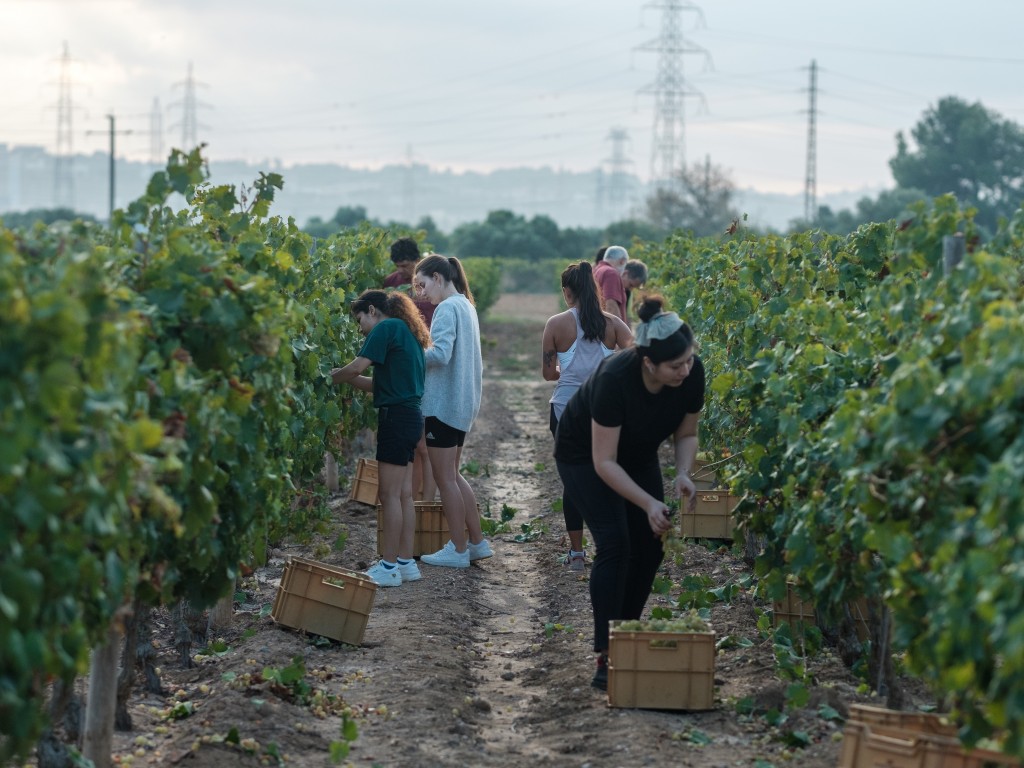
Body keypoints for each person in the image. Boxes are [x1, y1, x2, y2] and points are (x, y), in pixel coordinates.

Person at [554, 295, 705, 690]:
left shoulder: (692, 374)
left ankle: (627, 634)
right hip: (583, 455)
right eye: (676, 365)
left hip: (636, 454)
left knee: (650, 545)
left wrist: (683, 474)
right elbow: (604, 461)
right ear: (648, 362)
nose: (685, 371)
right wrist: (648, 501)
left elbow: (686, 434)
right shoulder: (615, 379)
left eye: (690, 360)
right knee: (616, 544)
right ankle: (607, 654)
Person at [331, 290, 430, 587]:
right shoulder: (405, 331)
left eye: (360, 319)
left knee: (388, 495)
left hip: (395, 419)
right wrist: (345, 377)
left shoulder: (385, 327)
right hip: (411, 417)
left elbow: (358, 366)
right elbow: (377, 383)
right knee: (402, 495)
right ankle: (405, 563)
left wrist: (327, 378)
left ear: (372, 310)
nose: (360, 328)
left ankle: (388, 567)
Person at [541, 261, 633, 571]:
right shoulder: (613, 324)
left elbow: (547, 374)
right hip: (604, 411)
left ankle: (577, 554)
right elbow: (636, 359)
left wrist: (567, 369)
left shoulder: (556, 324)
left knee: (574, 481)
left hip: (565, 410)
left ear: (567, 292)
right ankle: (612, 545)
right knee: (607, 475)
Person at [413, 254, 493, 568]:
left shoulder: (447, 307)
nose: (421, 293)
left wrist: (409, 355)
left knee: (444, 477)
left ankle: (457, 550)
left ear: (438, 277)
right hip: (462, 404)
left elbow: (441, 354)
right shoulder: (466, 305)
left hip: (444, 405)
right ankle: (476, 542)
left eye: (422, 284)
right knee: (454, 475)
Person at [384, 237, 436, 502]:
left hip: (428, 365)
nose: (402, 270)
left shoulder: (430, 288)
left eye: (406, 265)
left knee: (425, 445)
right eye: (398, 266)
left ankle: (425, 501)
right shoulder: (390, 284)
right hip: (404, 368)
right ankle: (414, 500)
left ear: (417, 261)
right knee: (415, 444)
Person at [593, 245, 629, 322]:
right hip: (611, 331)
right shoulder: (611, 273)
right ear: (622, 261)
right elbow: (611, 306)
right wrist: (621, 332)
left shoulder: (598, 270)